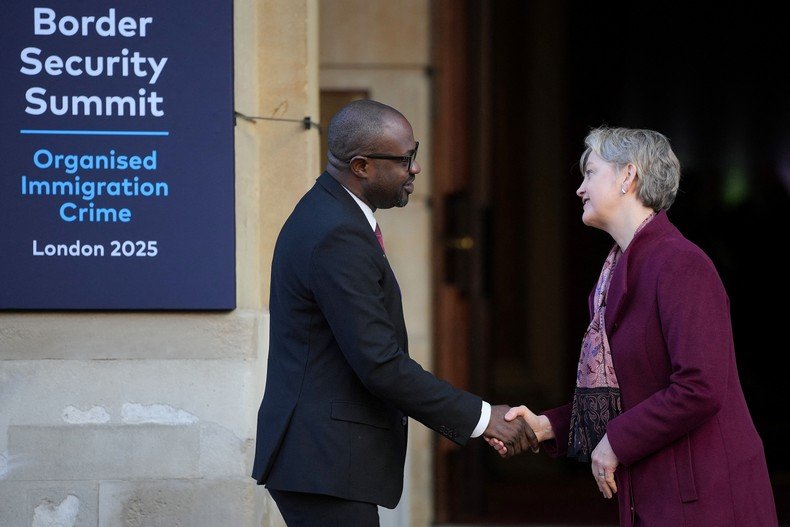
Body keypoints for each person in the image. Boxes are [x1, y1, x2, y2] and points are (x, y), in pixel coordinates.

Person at [252, 99, 538, 526]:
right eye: (405, 159)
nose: (415, 168)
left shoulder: (332, 214)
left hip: (324, 461)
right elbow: (380, 363)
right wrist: (482, 419)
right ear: (362, 166)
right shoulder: (336, 233)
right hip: (323, 462)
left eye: (413, 154)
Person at [488, 126, 778, 526]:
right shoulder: (615, 273)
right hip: (657, 493)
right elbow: (627, 394)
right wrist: (545, 426)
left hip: (706, 496)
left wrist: (616, 441)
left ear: (628, 176)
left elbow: (700, 387)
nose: (580, 188)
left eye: (590, 173)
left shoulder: (681, 264)